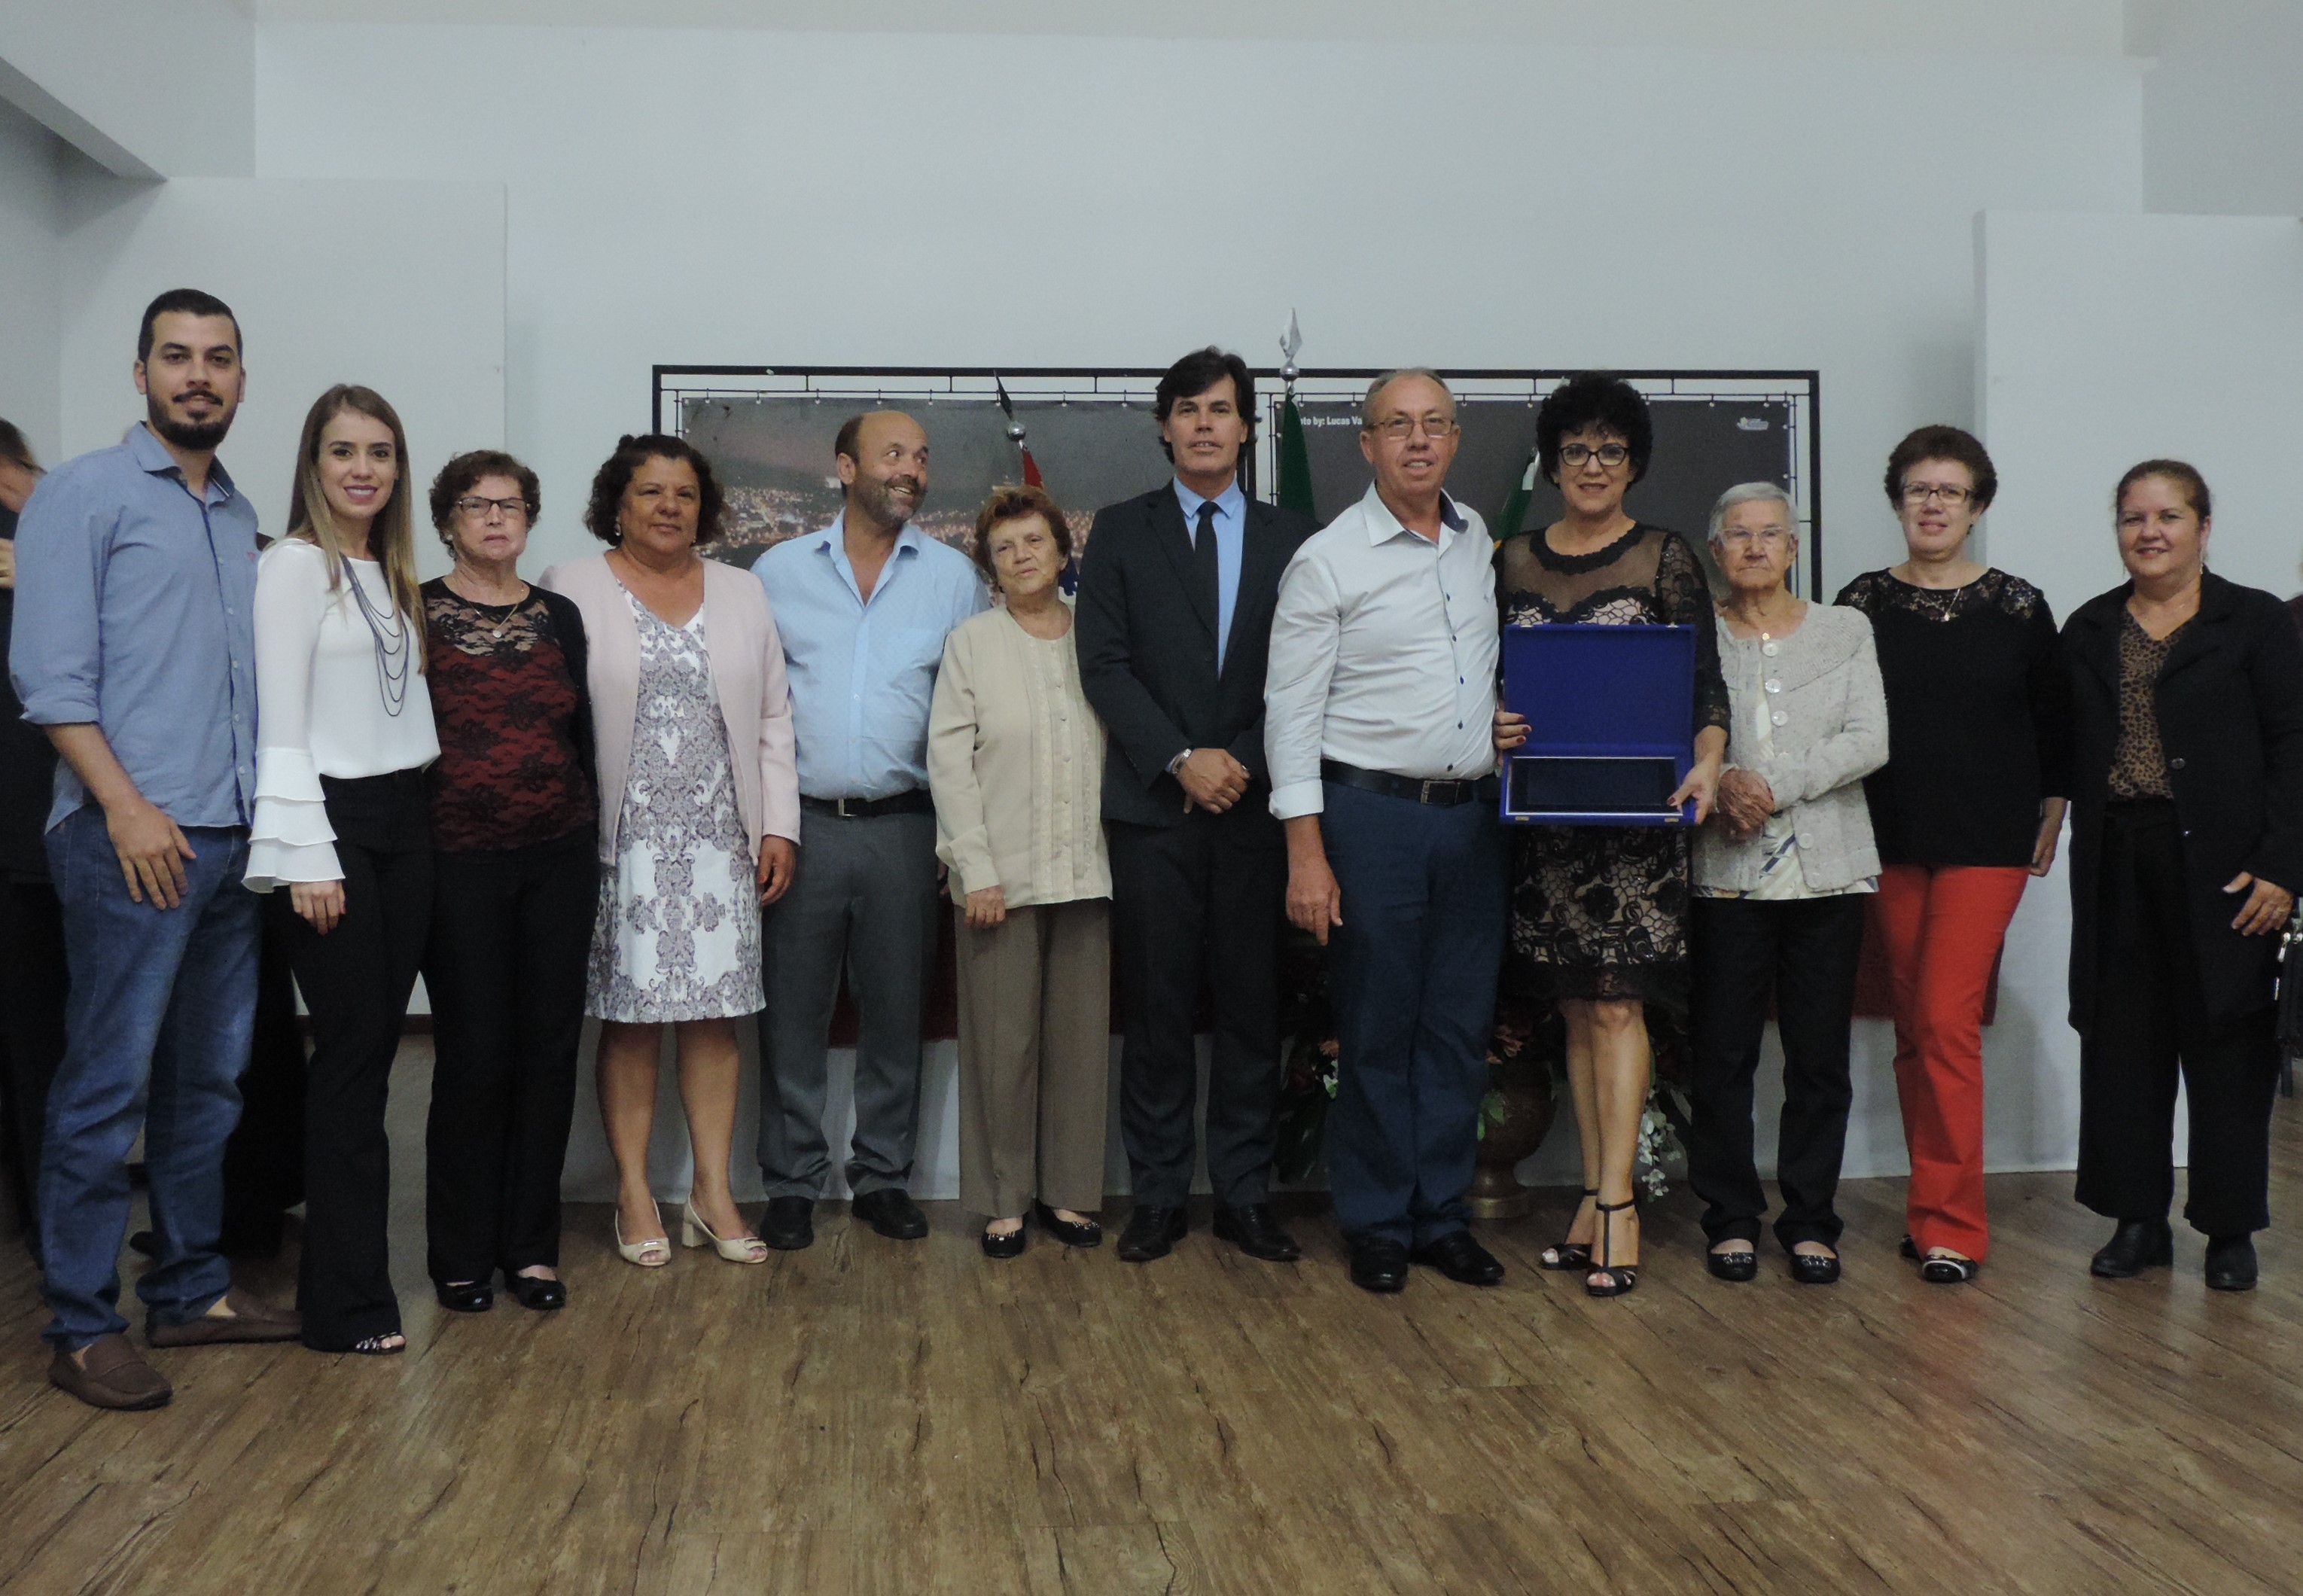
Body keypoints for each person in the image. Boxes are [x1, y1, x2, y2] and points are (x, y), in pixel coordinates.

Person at [11, 289, 298, 1410]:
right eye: (176, 356)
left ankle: (188, 1289)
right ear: (141, 374)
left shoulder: (236, 512)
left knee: (206, 1085)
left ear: (241, 379)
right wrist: (125, 807)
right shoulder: (83, 492)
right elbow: (49, 678)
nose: (198, 375)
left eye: (218, 358)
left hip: (228, 839)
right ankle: (82, 1325)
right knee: (105, 1084)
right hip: (130, 839)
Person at [1265, 368, 1509, 1295]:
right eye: (1397, 425)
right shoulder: (1327, 560)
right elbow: (1290, 716)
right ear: (1365, 443)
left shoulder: (1475, 538)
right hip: (1368, 820)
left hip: (1471, 822)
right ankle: (1375, 1221)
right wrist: (1306, 853)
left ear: (1453, 439)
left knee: (1455, 1029)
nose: (1417, 440)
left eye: (1433, 423)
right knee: (1374, 1028)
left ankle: (1440, 1216)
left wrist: (1495, 715)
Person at [1075, 347, 1318, 1265]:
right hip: (1154, 815)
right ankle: (1158, 1195)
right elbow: (1103, 664)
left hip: (1257, 812)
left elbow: (1308, 676)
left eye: (1220, 409)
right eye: (1187, 410)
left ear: (1245, 427)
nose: (1204, 424)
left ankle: (1246, 1196)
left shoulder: (1295, 539)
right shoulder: (1119, 531)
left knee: (1253, 1012)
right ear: (1164, 427)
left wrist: (1239, 760)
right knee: (1158, 1012)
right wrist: (1180, 758)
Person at [1494, 372, 1727, 1299]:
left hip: (1637, 826)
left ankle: (1619, 1205)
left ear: (1633, 463)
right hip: (1545, 822)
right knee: (1576, 1011)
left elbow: (1704, 685)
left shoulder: (1666, 555)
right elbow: (1482, 675)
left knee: (1619, 1008)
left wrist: (1708, 762)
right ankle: (1593, 1199)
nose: (1592, 465)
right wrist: (1492, 718)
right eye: (1575, 451)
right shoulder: (1510, 559)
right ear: (1551, 465)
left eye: (1610, 450)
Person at [544, 434, 797, 1270]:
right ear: (616, 504)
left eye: (684, 494)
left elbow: (773, 716)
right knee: (630, 1021)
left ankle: (712, 1193)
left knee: (714, 1019)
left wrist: (778, 825)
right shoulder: (572, 585)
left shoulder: (742, 590)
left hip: (721, 840)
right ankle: (632, 1191)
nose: (667, 507)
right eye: (650, 491)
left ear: (704, 508)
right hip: (622, 842)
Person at [1836, 425, 2070, 1284]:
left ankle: (1953, 1227)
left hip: (1987, 840)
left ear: (1976, 507)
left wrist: (2054, 810)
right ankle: (1927, 1209)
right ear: (1897, 501)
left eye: (1950, 491)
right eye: (1918, 489)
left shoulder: (2018, 605)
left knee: (1942, 1019)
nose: (1932, 504)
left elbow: (2054, 722)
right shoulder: (1858, 602)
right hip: (1888, 836)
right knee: (1911, 1025)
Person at [2063, 461, 2303, 1291]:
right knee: (2122, 1041)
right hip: (2117, 856)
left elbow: (2294, 746)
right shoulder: (2090, 625)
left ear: (2203, 527)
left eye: (2167, 515)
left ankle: (2229, 1227)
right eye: (2132, 517)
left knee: (2227, 1041)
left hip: (2228, 865)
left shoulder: (2255, 621)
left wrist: (2282, 865)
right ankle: (2137, 1219)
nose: (2149, 532)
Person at [754, 411, 985, 1249]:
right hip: (801, 830)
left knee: (895, 1014)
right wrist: (767, 822)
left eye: (921, 456)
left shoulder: (952, 577)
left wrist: (955, 834)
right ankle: (790, 1182)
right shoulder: (777, 571)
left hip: (905, 828)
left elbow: (971, 714)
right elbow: (756, 704)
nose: (910, 469)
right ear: (845, 467)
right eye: (892, 454)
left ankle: (883, 1177)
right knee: (792, 1019)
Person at [245, 385, 440, 1356]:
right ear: (313, 464)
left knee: (370, 1057)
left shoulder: (391, 571)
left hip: (410, 820)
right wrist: (306, 853)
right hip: (333, 828)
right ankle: (346, 1304)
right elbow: (280, 722)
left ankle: (346, 1285)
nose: (362, 468)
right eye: (342, 451)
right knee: (356, 1060)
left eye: (379, 452)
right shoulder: (292, 566)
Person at [1684, 484, 1887, 1286]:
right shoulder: (1696, 633)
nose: (1755, 546)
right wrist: (1723, 781)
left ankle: (1809, 1220)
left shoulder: (1845, 629)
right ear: (1715, 550)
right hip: (1724, 872)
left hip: (1827, 872)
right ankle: (1729, 1218)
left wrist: (1768, 784)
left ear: (1793, 548)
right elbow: (1672, 731)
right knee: (1721, 1056)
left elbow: (1869, 738)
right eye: (1738, 535)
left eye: (1771, 533)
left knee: (1818, 1058)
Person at [420, 451, 596, 1313]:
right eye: (476, 504)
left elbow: (582, 736)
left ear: (529, 518)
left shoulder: (559, 615)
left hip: (559, 857)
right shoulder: (414, 609)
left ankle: (530, 1249)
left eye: (511, 504)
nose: (495, 518)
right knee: (473, 1052)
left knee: (548, 1050)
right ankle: (460, 1253)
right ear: (446, 520)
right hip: (456, 862)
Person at [928, 486, 1111, 1258]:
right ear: (989, 567)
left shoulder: (1099, 636)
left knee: (1079, 1048)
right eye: (1004, 548)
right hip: (996, 880)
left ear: (1062, 551)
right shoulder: (971, 642)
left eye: (1034, 540)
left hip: (1088, 872)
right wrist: (975, 867)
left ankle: (1068, 1192)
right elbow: (948, 764)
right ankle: (1003, 1201)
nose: (1021, 555)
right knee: (1002, 1049)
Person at [0, 419, 62, 1260]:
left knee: (46, 1037)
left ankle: (59, 1231)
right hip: (32, 825)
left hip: (40, 825)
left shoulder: (48, 529)